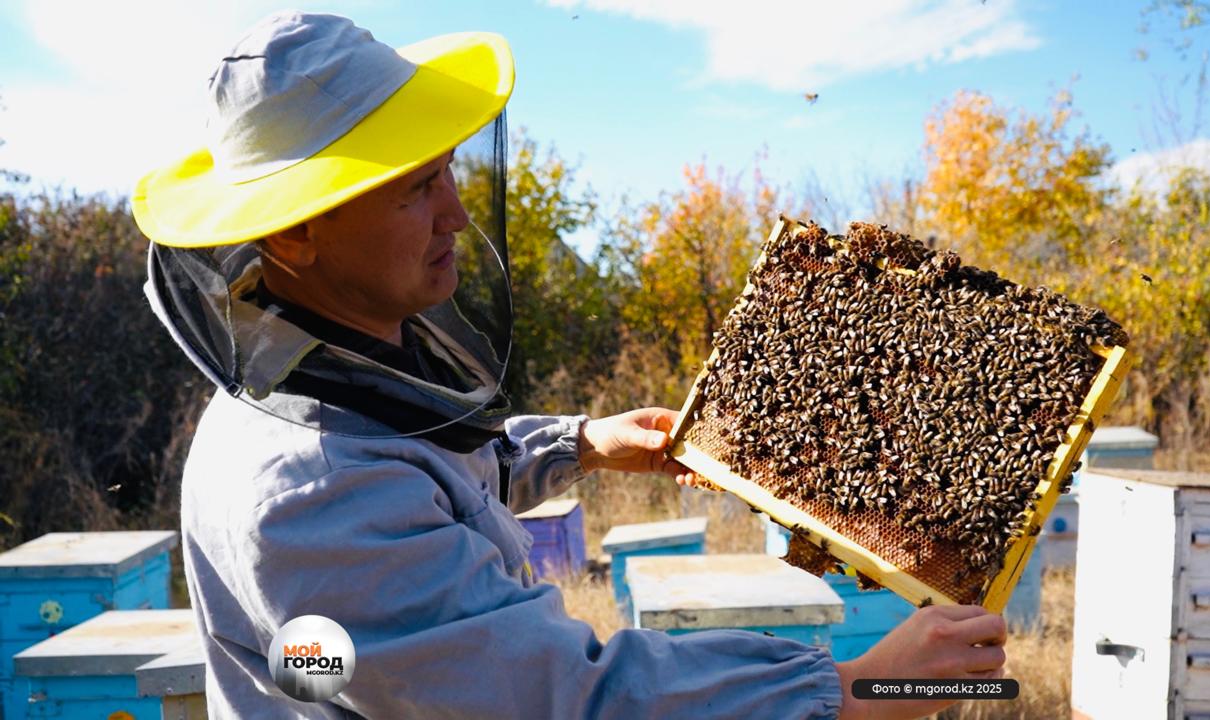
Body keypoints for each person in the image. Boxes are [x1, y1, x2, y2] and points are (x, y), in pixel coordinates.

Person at [133, 11, 1007, 720]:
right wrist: (857, 692)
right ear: (295, 231)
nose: (454, 210)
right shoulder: (306, 495)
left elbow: (439, 475)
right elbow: (562, 698)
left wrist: (581, 443)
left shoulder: (334, 363)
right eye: (414, 188)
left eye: (446, 172)